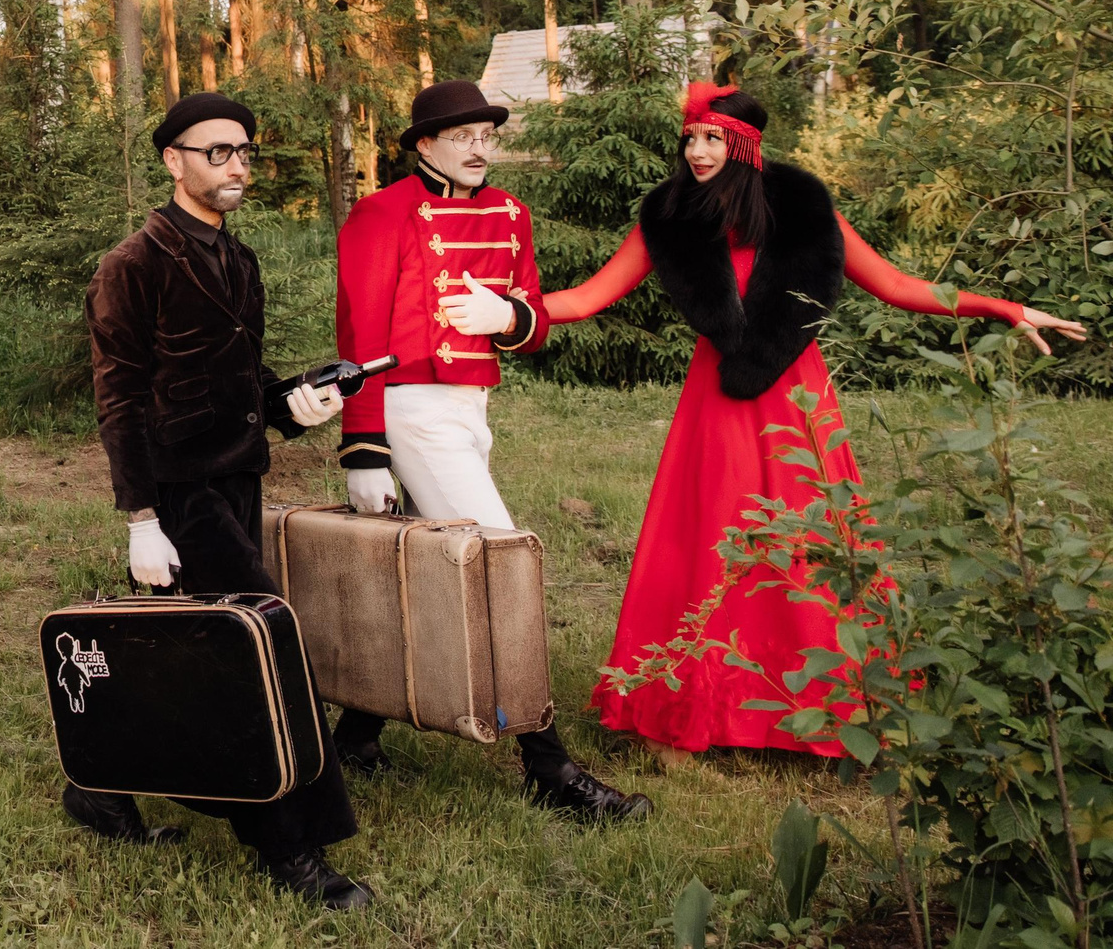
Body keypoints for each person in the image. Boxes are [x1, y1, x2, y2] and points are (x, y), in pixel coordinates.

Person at [544, 83, 1087, 754]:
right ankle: (707, 701)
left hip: (796, 395)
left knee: (811, 542)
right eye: (690, 137)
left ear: (744, 143)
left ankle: (830, 702)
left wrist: (1003, 308)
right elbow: (589, 295)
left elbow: (896, 285)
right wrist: (512, 311)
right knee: (711, 538)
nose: (697, 149)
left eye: (711, 137)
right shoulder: (672, 216)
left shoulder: (801, 211)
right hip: (715, 400)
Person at [75, 91, 369, 910]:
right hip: (177, 492)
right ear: (174, 161)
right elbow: (121, 401)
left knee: (180, 648)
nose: (236, 164)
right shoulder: (132, 264)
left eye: (244, 150)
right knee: (258, 646)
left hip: (239, 478)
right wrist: (141, 517)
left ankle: (101, 791)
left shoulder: (239, 261)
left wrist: (290, 405)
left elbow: (237, 385)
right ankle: (291, 846)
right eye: (217, 151)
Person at [329, 79, 650, 823]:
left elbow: (533, 320)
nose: (480, 147)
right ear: (424, 144)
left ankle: (355, 737)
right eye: (463, 134)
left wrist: (507, 312)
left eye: (487, 134)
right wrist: (364, 445)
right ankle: (550, 767)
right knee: (501, 569)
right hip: (410, 407)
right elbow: (361, 338)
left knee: (410, 570)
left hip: (472, 408)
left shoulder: (512, 212)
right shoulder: (382, 214)